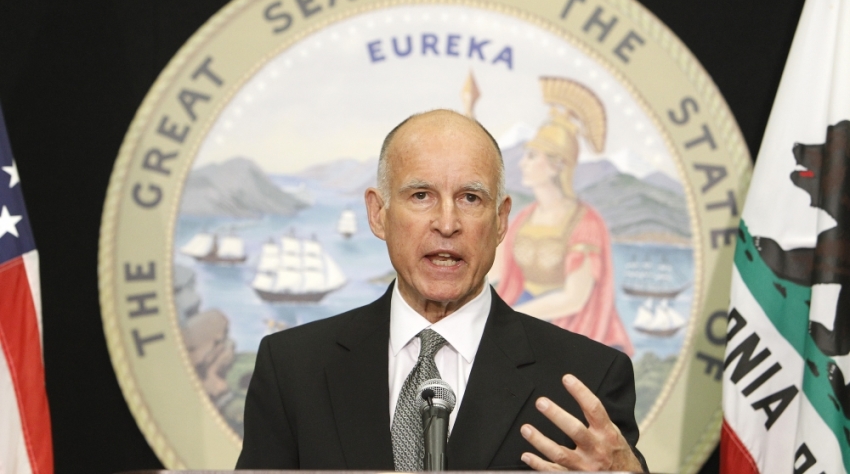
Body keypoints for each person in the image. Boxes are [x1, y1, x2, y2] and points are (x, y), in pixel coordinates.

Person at [236, 109, 647, 472]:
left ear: (501, 220)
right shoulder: (293, 369)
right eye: (421, 196)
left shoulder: (585, 379)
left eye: (470, 198)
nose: (447, 223)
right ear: (378, 214)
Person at [492, 79, 633, 356]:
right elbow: (494, 271)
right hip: (523, 321)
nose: (522, 163)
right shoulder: (523, 218)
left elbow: (574, 299)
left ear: (557, 165)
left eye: (532, 156)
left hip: (570, 330)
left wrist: (509, 318)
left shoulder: (585, 223)